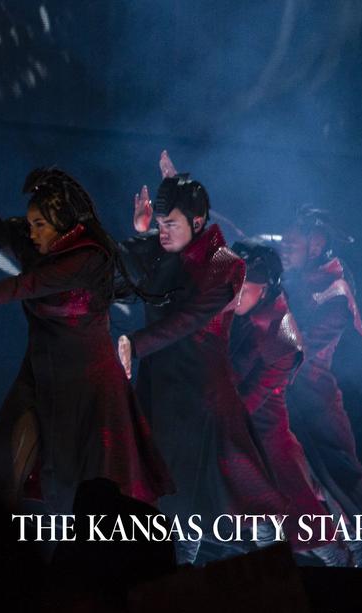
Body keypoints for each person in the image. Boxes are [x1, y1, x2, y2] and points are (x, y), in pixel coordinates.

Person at [0, 136, 172, 513]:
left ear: (63, 225)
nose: (31, 233)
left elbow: (29, 285)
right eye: (30, 223)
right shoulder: (36, 247)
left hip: (87, 386)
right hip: (38, 375)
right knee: (4, 470)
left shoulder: (89, 257)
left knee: (80, 492)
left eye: (40, 225)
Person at [119, 173, 288, 564]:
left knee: (251, 512)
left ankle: (277, 599)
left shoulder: (225, 265)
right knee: (172, 514)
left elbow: (189, 318)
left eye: (170, 224)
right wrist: (143, 234)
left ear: (197, 223)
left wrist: (135, 344)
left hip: (205, 403)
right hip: (161, 398)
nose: (162, 232)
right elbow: (119, 264)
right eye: (158, 224)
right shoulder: (159, 249)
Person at [229, 239, 347, 565]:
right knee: (258, 527)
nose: (234, 292)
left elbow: (250, 398)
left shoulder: (282, 334)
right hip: (238, 437)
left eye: (244, 286)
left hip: (266, 441)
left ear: (265, 288)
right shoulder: (241, 310)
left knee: (311, 533)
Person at [279, 207, 362, 567]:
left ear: (317, 243)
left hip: (313, 403)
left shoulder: (334, 292)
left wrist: (274, 306)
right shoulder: (293, 278)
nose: (286, 247)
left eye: (294, 241)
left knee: (338, 494)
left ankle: (361, 571)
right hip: (281, 399)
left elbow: (300, 348)